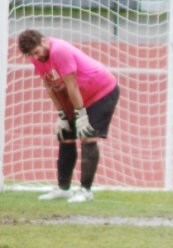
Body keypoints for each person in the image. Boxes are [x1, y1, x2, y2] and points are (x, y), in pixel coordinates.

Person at [18, 29, 119, 203]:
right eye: (32, 55)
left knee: (87, 135)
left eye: (36, 51)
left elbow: (71, 85)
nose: (36, 57)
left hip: (102, 92)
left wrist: (81, 115)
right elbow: (50, 87)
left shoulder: (59, 51)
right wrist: (62, 116)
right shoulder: (38, 59)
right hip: (80, 96)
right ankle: (63, 188)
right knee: (65, 134)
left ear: (44, 41)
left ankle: (85, 191)